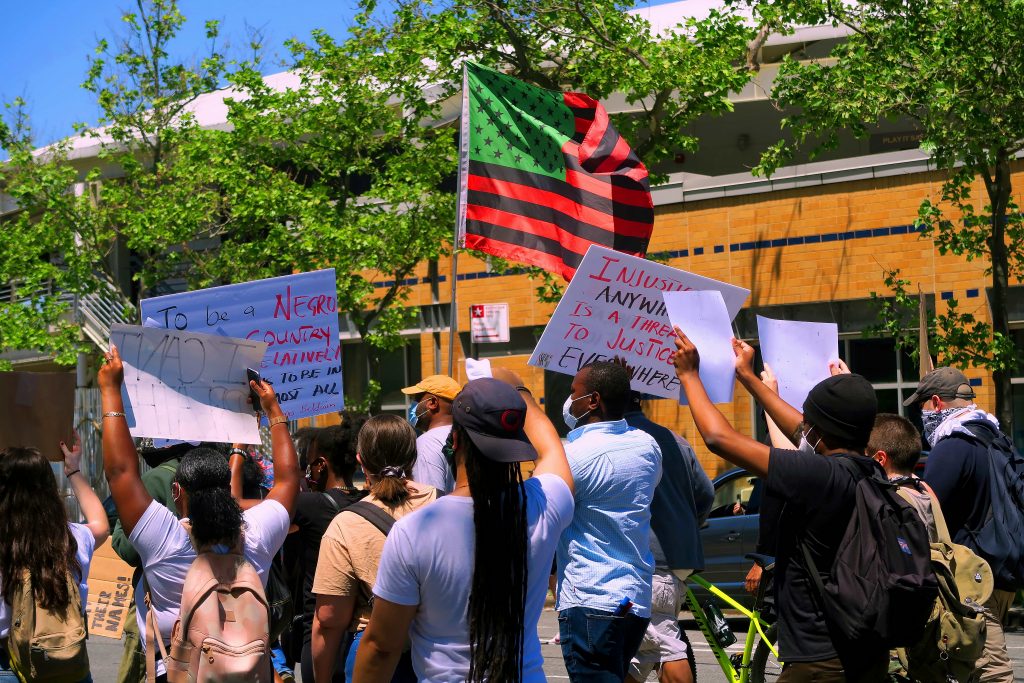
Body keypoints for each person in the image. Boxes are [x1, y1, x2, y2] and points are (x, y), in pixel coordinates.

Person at [670, 328, 888, 681]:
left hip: (820, 659)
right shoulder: (869, 469)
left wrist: (689, 375)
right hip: (863, 650)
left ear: (819, 430)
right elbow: (803, 429)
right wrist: (747, 378)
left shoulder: (818, 474)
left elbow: (719, 438)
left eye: (809, 420)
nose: (803, 425)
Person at [353, 371, 575, 682]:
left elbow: (381, 647)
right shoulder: (544, 505)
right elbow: (551, 447)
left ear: (454, 441)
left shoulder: (414, 531)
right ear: (516, 446)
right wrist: (518, 390)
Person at [97, 344, 299, 681]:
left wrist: (110, 389)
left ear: (177, 492)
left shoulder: (166, 541)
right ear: (228, 487)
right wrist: (273, 409)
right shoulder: (257, 535)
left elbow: (120, 473)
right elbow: (288, 481)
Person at [311, 414, 439, 682]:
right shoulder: (445, 504)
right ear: (413, 457)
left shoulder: (346, 525)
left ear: (361, 460)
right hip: (440, 650)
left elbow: (329, 619)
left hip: (374, 654)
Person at [557, 361, 663, 682]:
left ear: (593, 400)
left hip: (590, 596)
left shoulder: (574, 454)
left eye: (573, 392)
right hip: (635, 598)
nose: (568, 399)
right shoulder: (647, 445)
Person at [913, 367, 1017, 682]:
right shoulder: (993, 436)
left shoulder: (952, 446)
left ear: (935, 402)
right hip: (1000, 569)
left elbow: (927, 510)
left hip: (972, 576)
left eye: (922, 406)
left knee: (990, 670)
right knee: (968, 667)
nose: (921, 415)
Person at [263, 418, 367, 683]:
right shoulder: (368, 500)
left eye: (308, 465)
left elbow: (254, 510)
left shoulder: (309, 505)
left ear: (320, 465)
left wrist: (238, 452)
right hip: (359, 636)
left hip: (321, 639)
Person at [0, 433, 110, 682]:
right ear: (50, 489)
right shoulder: (71, 538)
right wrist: (73, 470)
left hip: (8, 667)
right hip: (67, 664)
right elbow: (101, 525)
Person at [624, 392, 712, 683]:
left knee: (663, 645)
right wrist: (681, 528)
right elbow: (705, 493)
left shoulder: (620, 440)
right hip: (674, 562)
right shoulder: (676, 441)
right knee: (639, 653)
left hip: (645, 563)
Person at [110, 441, 185, 683]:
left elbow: (128, 549)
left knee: (137, 668)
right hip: (197, 594)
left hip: (154, 597)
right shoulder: (199, 471)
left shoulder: (154, 479)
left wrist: (122, 524)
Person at [401, 374, 463, 493]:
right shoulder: (465, 435)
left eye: (417, 400)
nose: (413, 406)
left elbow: (428, 499)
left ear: (433, 402)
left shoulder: (426, 444)